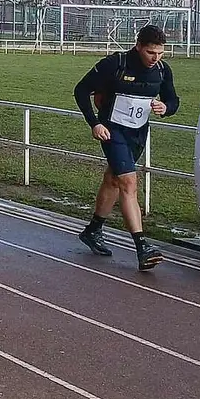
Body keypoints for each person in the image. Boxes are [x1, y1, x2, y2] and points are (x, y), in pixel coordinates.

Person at [73, 23, 180, 271]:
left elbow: (173, 99)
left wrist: (166, 108)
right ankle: (142, 247)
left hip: (138, 134)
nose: (155, 58)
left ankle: (93, 230)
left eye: (160, 53)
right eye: (151, 53)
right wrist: (94, 123)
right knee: (129, 183)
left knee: (113, 180)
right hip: (113, 131)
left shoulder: (162, 70)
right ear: (138, 46)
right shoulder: (116, 64)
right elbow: (81, 90)